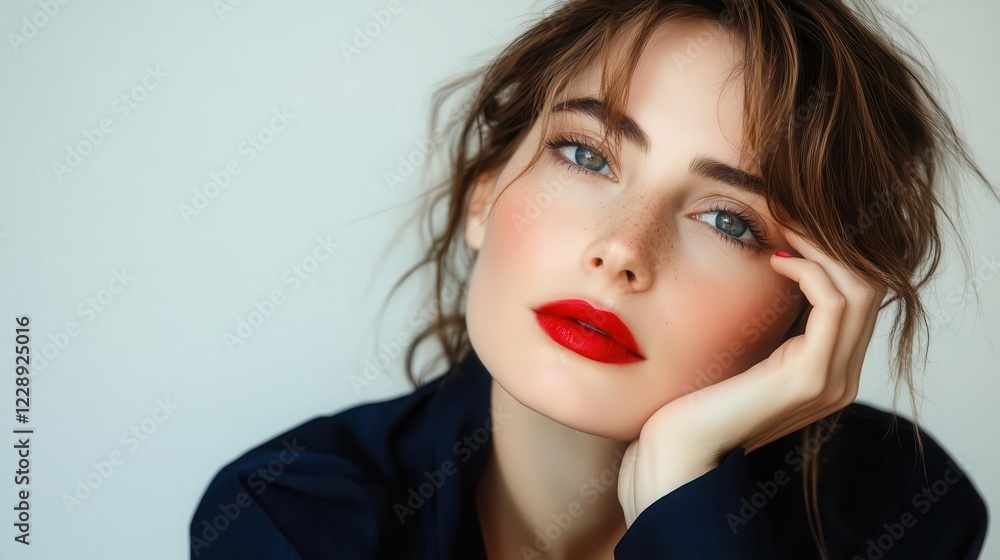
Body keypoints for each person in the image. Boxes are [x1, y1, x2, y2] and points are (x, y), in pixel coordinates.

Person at [190, 1, 995, 558]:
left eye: (730, 220)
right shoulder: (294, 516)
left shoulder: (901, 511)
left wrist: (683, 492)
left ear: (809, 310)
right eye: (585, 154)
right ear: (484, 193)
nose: (621, 250)